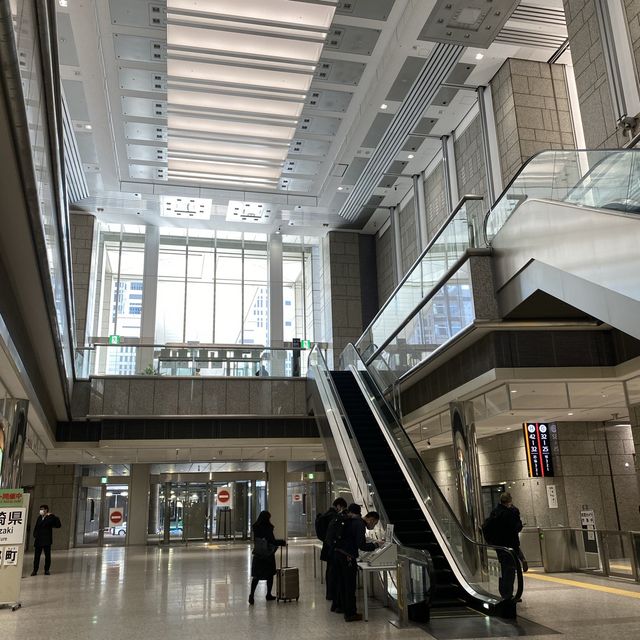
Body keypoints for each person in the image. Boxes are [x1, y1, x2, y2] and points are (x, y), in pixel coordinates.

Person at [332, 503, 380, 622]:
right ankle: (351, 614)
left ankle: (342, 608)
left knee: (343, 584)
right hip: (347, 557)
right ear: (371, 519)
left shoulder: (352, 520)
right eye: (374, 524)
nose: (373, 526)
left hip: (338, 554)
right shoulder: (360, 524)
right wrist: (375, 545)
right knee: (349, 585)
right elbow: (361, 545)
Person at [483, 492, 523, 599]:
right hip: (510, 546)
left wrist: (491, 542)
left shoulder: (495, 512)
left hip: (499, 547)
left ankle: (504, 592)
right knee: (510, 570)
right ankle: (508, 595)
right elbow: (517, 527)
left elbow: (486, 527)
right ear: (509, 500)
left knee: (503, 569)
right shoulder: (511, 513)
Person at [249, 510, 285, 605]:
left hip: (258, 554)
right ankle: (268, 594)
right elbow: (271, 541)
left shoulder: (256, 527)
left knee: (256, 576)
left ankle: (251, 595)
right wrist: (281, 542)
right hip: (268, 555)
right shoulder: (268, 528)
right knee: (269, 575)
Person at [315, 497, 348, 601]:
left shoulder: (326, 514)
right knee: (333, 572)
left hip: (327, 546)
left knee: (329, 570)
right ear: (338, 506)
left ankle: (330, 593)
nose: (341, 510)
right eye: (342, 507)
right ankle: (332, 594)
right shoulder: (333, 516)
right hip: (333, 548)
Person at [31, 504, 61, 576]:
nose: (41, 511)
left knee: (47, 556)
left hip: (46, 540)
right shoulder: (39, 518)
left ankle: (46, 570)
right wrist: (35, 534)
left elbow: (58, 525)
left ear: (46, 510)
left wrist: (54, 516)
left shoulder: (50, 518)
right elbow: (36, 527)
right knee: (36, 556)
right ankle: (35, 570)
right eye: (40, 509)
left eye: (42, 509)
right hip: (38, 540)